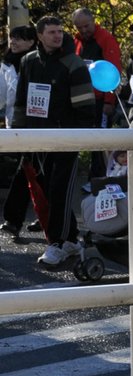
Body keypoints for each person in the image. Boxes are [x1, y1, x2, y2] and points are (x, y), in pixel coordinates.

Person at [15, 16, 97, 266]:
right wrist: (17, 135)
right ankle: (70, 239)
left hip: (65, 139)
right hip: (36, 138)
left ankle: (58, 243)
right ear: (39, 35)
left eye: (60, 31)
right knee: (48, 191)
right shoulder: (28, 61)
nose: (57, 36)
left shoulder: (73, 64)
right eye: (51, 32)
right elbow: (21, 100)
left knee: (60, 190)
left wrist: (78, 139)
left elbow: (86, 108)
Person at [1, 26, 48, 242]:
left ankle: (18, 220)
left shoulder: (39, 63)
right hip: (17, 125)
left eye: (19, 39)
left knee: (33, 172)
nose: (14, 42)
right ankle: (25, 219)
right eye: (12, 38)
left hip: (40, 125)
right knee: (30, 171)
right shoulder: (7, 64)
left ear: (32, 42)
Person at [70, 7, 122, 126]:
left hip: (100, 100)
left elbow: (113, 70)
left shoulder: (105, 39)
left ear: (93, 21)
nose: (83, 30)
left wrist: (109, 102)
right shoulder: (77, 41)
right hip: (82, 98)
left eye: (86, 26)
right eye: (79, 27)